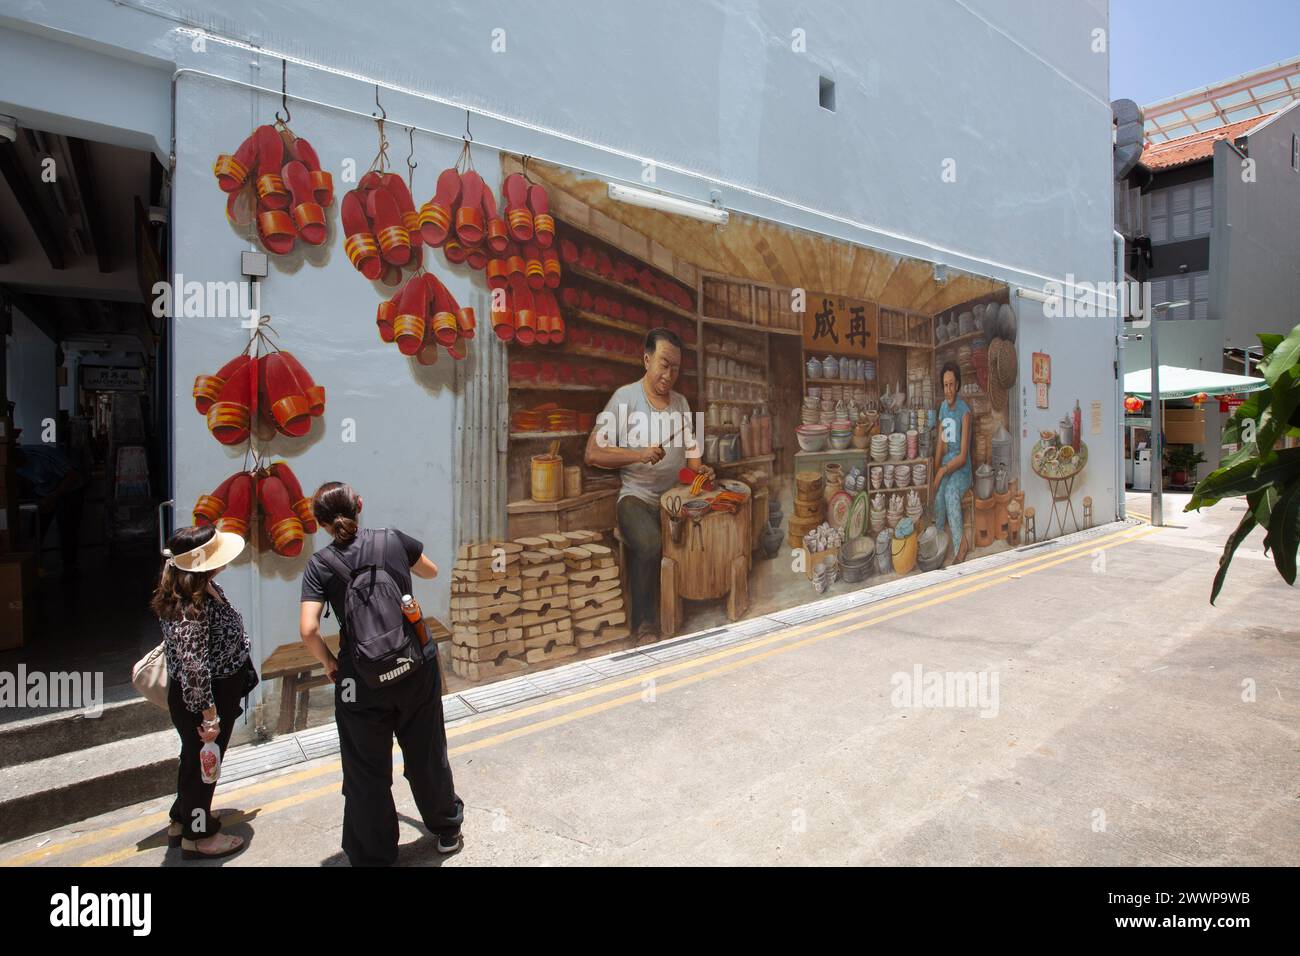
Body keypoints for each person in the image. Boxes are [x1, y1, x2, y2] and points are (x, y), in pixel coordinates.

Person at [298, 481, 463, 866]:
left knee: (366, 770)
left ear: (320, 524)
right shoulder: (391, 540)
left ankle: (374, 856)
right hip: (414, 667)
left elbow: (308, 630)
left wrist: (329, 663)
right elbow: (431, 570)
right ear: (360, 505)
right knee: (426, 752)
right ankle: (446, 829)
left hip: (360, 680)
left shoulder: (319, 565)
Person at [584, 328, 711, 641]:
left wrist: (699, 471)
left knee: (709, 524)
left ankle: (695, 601)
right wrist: (638, 454)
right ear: (646, 360)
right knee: (651, 544)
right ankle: (646, 626)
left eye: (676, 368)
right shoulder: (625, 399)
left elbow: (692, 455)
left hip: (675, 498)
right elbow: (592, 452)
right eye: (664, 364)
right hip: (636, 499)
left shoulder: (680, 403)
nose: (669, 375)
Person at [149, 524, 254, 860]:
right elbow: (194, 667)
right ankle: (198, 836)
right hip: (204, 699)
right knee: (204, 765)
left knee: (196, 762)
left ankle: (183, 818)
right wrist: (209, 714)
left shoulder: (202, 587)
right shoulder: (187, 607)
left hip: (217, 691)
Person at [13, 441, 86, 578]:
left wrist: (53, 497)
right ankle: (31, 565)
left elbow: (73, 476)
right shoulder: (14, 466)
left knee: (67, 528)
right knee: (36, 528)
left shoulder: (41, 456)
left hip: (70, 488)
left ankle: (70, 568)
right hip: (45, 489)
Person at [931, 361, 973, 565]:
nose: (948, 389)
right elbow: (941, 443)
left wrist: (943, 471)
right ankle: (938, 545)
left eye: (951, 384)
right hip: (947, 466)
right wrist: (936, 472)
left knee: (949, 493)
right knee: (938, 494)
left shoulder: (964, 412)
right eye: (945, 385)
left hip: (961, 469)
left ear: (957, 385)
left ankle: (960, 545)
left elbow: (963, 455)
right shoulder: (942, 409)